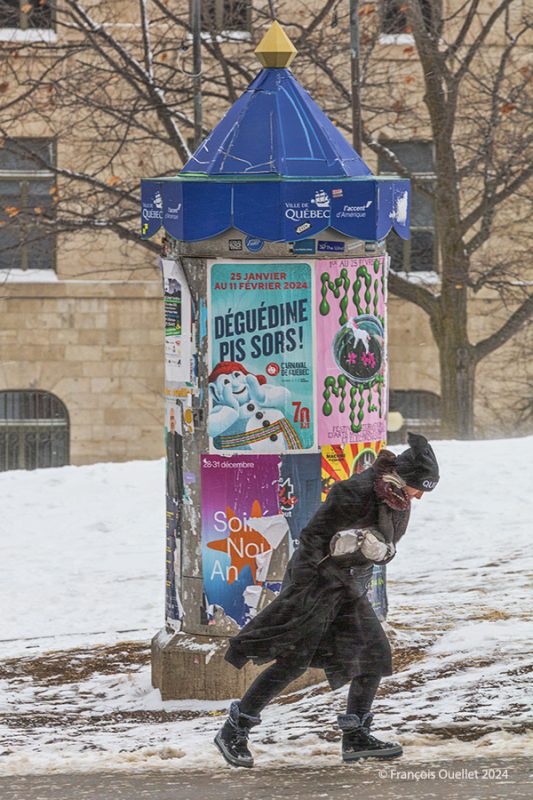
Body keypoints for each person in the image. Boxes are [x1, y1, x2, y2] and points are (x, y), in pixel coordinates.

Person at [214, 432, 440, 768]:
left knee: (374, 654)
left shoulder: (398, 502)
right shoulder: (353, 492)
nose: (419, 496)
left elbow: (385, 547)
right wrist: (339, 548)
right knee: (294, 661)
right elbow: (310, 540)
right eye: (418, 487)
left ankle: (356, 735)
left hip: (347, 589)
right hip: (315, 585)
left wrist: (381, 552)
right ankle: (235, 729)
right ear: (400, 477)